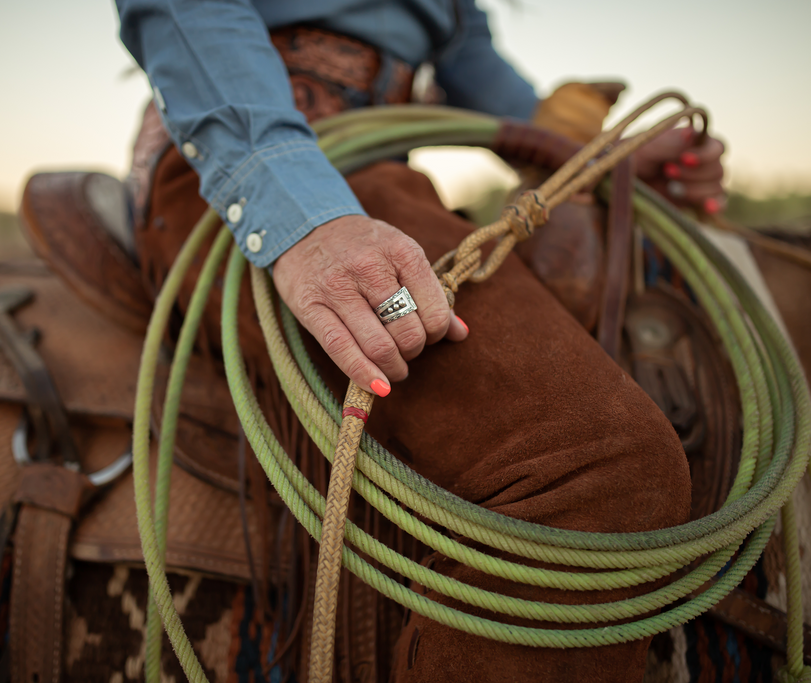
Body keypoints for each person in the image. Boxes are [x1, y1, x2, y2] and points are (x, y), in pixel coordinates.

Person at [106, 1, 725, 680]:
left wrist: (603, 152)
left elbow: (474, 67)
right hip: (234, 178)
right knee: (600, 469)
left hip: (376, 178)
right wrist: (303, 215)